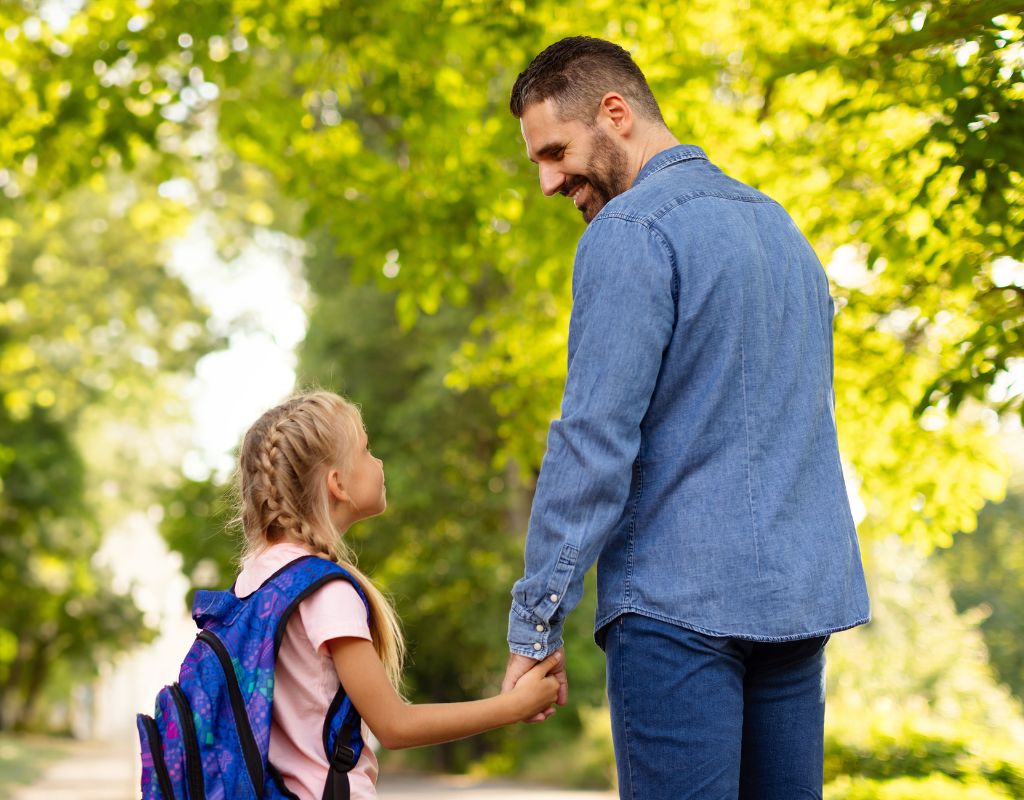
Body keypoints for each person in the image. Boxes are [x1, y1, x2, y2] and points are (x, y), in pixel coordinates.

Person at [499, 36, 871, 799]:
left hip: (675, 614)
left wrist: (535, 624)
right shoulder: (784, 233)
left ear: (616, 113)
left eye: (555, 151)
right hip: (798, 609)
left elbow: (594, 442)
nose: (546, 181)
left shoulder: (630, 230)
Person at [233, 390, 561, 800]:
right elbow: (394, 726)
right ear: (337, 483)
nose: (379, 462)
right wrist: (514, 706)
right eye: (367, 450)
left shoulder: (251, 581)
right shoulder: (323, 590)